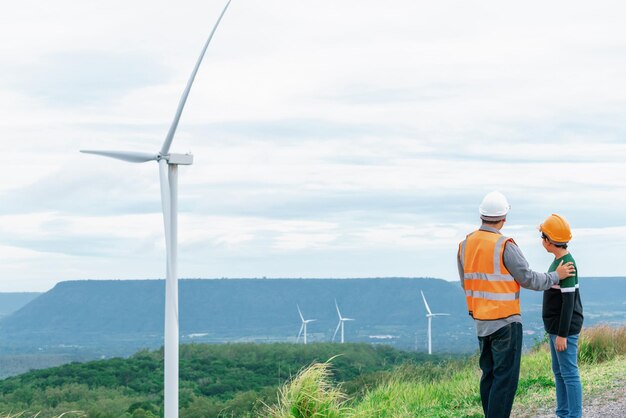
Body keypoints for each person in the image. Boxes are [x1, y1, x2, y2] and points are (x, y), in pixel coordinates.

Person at [457, 191, 576, 418]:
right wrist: (556, 276)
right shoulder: (504, 245)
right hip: (505, 323)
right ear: (504, 218)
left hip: (481, 323)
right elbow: (529, 278)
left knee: (489, 377)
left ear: (481, 215)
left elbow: (467, 283)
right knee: (505, 381)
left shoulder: (465, 245)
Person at [539, 214, 583, 418]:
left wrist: (563, 335)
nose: (541, 241)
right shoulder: (559, 262)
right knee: (559, 373)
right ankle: (563, 413)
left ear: (549, 240)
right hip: (555, 328)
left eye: (542, 236)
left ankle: (573, 415)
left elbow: (568, 302)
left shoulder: (567, 264)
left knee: (569, 374)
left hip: (563, 330)